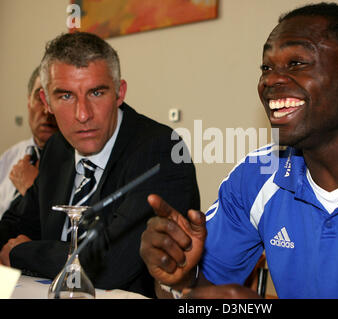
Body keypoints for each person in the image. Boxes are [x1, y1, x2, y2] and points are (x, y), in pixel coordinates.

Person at [139, 2, 338, 299]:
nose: (270, 80)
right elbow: (198, 293)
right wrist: (179, 278)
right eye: (266, 67)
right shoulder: (256, 176)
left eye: (296, 63)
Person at [0, 32, 200, 298]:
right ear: (46, 102)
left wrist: (21, 253)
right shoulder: (58, 149)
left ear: (120, 93)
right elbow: (16, 222)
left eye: (96, 92)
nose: (83, 114)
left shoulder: (162, 150)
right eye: (66, 96)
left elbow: (110, 263)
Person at [0, 67, 58, 218]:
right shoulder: (10, 156)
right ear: (28, 101)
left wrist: (32, 189)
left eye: (55, 99)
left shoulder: (78, 163)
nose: (47, 111)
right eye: (40, 98)